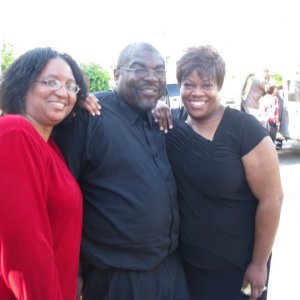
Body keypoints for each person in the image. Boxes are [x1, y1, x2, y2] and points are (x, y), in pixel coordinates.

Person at [53, 42, 188, 300]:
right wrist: (74, 270)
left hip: (170, 269)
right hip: (118, 277)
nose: (151, 77)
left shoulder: (160, 119)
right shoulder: (89, 116)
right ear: (116, 74)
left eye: (159, 71)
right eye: (139, 68)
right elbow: (62, 198)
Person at [152, 45, 283, 300]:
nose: (197, 93)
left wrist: (258, 264)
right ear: (179, 86)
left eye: (207, 85)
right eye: (189, 85)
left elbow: (272, 199)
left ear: (219, 87)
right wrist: (158, 106)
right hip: (188, 266)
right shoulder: (172, 124)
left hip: (238, 267)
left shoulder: (244, 130)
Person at [0, 47, 89, 300]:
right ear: (23, 84)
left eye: (71, 87)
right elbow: (23, 246)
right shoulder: (14, 132)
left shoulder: (49, 145)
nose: (62, 92)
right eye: (51, 82)